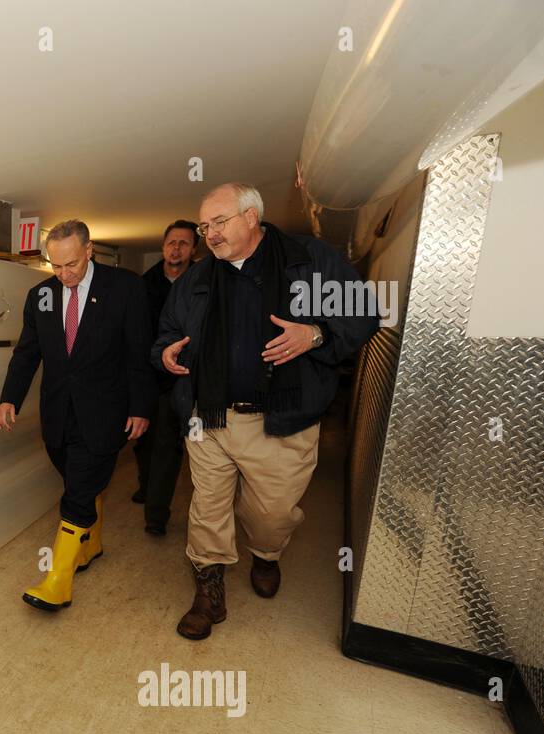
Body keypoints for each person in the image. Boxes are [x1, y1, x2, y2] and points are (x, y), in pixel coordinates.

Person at [151, 183, 376, 639]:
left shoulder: (309, 260)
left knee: (271, 514)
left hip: (282, 420)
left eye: (219, 222)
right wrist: (165, 354)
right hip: (208, 416)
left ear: (252, 217)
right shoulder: (196, 279)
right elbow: (167, 332)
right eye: (204, 226)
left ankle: (266, 554)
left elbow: (363, 315)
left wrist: (314, 335)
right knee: (208, 505)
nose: (209, 234)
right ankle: (208, 587)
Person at [0, 219, 154, 611]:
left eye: (71, 264)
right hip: (58, 411)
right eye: (55, 266)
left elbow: (139, 352)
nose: (64, 274)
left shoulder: (126, 288)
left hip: (106, 410)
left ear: (89, 250)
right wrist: (9, 398)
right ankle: (92, 544)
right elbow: (27, 353)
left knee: (79, 489)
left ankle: (57, 581)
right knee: (75, 478)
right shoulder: (41, 296)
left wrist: (141, 406)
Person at [134, 220, 198, 535]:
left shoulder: (205, 283)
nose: (176, 249)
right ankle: (152, 503)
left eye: (184, 243)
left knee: (185, 448)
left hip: (191, 381)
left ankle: (165, 516)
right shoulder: (144, 285)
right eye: (172, 242)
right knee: (151, 445)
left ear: (194, 249)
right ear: (162, 247)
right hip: (154, 379)